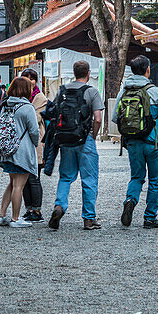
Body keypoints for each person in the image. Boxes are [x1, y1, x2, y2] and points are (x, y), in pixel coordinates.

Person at [114, 55, 158, 228]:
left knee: (136, 177)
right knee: (155, 180)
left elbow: (114, 117)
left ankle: (130, 200)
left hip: (132, 142)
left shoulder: (124, 91)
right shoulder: (157, 92)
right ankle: (150, 217)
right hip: (154, 143)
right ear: (148, 69)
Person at [46, 60, 104, 231]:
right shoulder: (91, 91)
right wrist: (92, 135)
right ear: (88, 73)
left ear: (73, 72)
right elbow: (98, 118)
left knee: (65, 177)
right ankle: (88, 218)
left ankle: (59, 206)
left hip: (65, 139)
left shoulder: (62, 91)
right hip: (84, 139)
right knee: (89, 179)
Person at [0, 76, 41, 228]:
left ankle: (1, 214)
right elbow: (34, 131)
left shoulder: (6, 105)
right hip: (22, 151)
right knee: (19, 185)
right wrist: (36, 143)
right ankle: (15, 218)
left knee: (12, 183)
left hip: (7, 150)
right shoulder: (27, 107)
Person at [20, 68, 48, 222]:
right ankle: (28, 208)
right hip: (22, 143)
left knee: (34, 178)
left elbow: (35, 120)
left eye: (32, 79)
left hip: (35, 142)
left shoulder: (40, 98)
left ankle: (37, 211)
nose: (29, 82)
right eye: (25, 78)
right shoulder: (19, 96)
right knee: (23, 179)